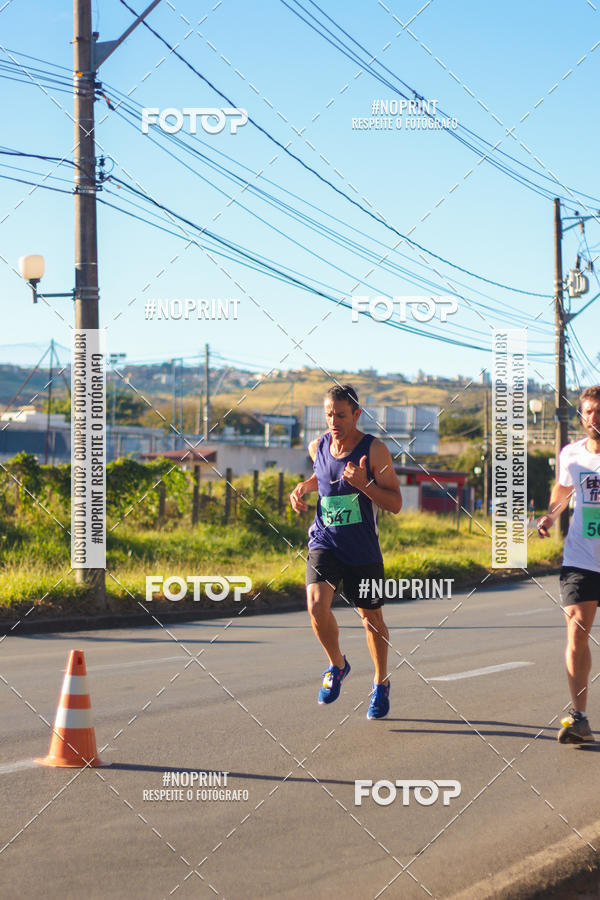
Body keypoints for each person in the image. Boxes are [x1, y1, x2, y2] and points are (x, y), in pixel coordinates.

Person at [290, 384, 402, 719]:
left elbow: (395, 503)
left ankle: (381, 683)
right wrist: (303, 487)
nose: (334, 421)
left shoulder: (375, 450)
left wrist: (364, 485)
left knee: (372, 619)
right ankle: (337, 664)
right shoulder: (318, 446)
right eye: (328, 415)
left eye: (341, 415)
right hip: (325, 541)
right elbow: (324, 476)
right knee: (314, 605)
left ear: (356, 415)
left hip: (363, 549)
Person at [538, 385, 600, 743]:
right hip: (580, 557)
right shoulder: (572, 455)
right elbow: (563, 492)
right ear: (581, 417)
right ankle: (579, 717)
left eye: (599, 411)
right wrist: (549, 516)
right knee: (577, 630)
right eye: (588, 412)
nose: (593, 418)